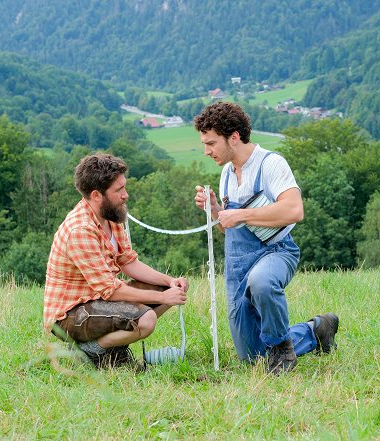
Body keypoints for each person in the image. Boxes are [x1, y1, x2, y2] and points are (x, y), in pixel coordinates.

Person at [193, 102, 339, 374]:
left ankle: (283, 347)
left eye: (211, 143)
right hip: (238, 268)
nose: (207, 151)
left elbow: (295, 210)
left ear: (234, 137)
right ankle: (316, 330)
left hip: (275, 252)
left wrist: (242, 214)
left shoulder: (271, 163)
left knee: (261, 282)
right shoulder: (226, 173)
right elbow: (230, 229)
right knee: (252, 358)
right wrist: (215, 211)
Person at [44, 152, 188, 369]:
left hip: (97, 301)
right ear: (96, 195)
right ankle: (90, 351)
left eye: (124, 187)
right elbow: (110, 290)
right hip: (70, 315)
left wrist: (169, 282)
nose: (126, 195)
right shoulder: (80, 230)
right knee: (147, 320)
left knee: (161, 290)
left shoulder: (110, 215)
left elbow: (127, 262)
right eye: (119, 190)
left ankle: (112, 348)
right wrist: (164, 297)